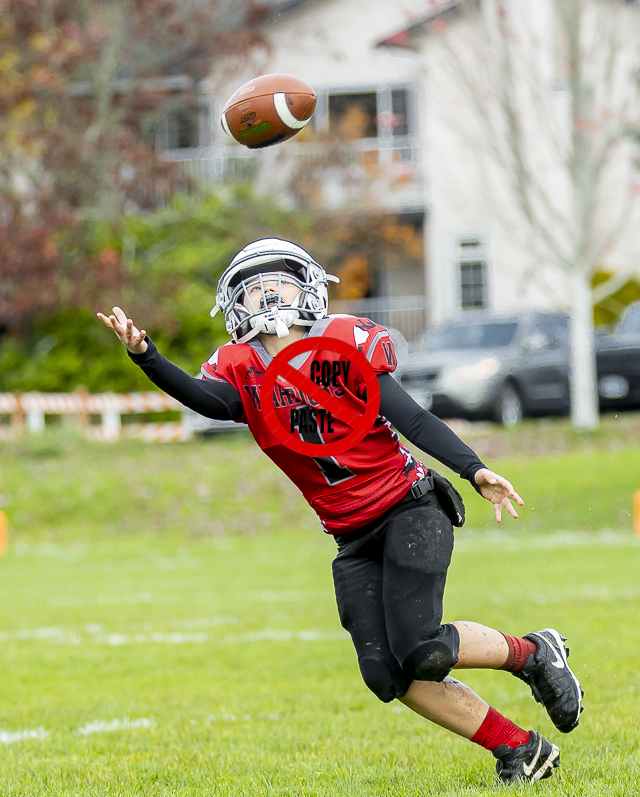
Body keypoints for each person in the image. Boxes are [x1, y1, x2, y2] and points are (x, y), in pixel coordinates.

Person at [97, 238, 583, 785]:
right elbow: (205, 400)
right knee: (384, 674)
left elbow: (412, 420)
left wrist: (474, 470)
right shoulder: (240, 367)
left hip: (408, 508)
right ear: (235, 304)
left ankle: (533, 653)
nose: (265, 296)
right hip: (351, 536)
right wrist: (147, 356)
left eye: (274, 283)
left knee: (422, 647)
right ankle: (520, 749)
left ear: (305, 286)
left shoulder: (343, 343)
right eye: (252, 289)